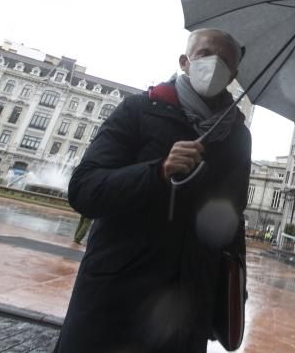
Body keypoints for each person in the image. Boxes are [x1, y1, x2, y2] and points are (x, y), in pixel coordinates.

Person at [55, 29, 252, 353]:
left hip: (186, 310)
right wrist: (158, 171)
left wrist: (230, 294)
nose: (214, 65)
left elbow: (232, 219)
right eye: (205, 54)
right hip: (115, 300)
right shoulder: (138, 110)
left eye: (226, 61)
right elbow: (84, 190)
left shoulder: (237, 138)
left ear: (234, 74)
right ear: (185, 61)